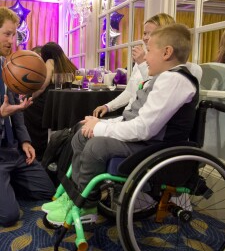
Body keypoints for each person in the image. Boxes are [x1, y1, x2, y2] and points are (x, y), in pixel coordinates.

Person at [43, 23, 200, 224]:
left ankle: (85, 206)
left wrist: (100, 128)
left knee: (95, 146)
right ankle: (74, 195)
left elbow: (144, 128)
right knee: (83, 134)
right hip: (146, 141)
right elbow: (133, 117)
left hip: (155, 147)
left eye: (149, 51)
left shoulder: (175, 80)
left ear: (167, 52)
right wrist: (97, 122)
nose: (145, 57)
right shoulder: (163, 78)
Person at [0, 7, 55, 227]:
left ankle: (8, 183)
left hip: (13, 149)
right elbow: (5, 111)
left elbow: (17, 111)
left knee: (47, 190)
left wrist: (24, 141)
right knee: (9, 217)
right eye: (7, 34)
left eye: (14, 34)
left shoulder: (9, 65)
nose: (12, 40)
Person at [93, 13, 176, 118]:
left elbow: (153, 89)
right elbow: (129, 91)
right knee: (81, 126)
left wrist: (142, 63)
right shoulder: (142, 58)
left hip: (138, 120)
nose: (145, 38)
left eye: (150, 34)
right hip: (127, 116)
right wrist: (108, 106)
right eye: (144, 33)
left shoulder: (167, 63)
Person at [24, 42, 77, 161]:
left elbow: (43, 85)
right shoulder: (68, 64)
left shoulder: (50, 62)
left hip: (49, 101)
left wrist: (30, 97)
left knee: (27, 109)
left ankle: (35, 147)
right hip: (62, 102)